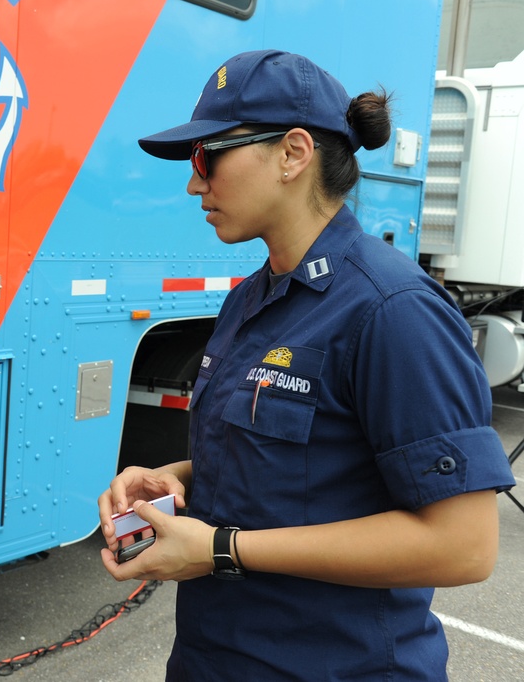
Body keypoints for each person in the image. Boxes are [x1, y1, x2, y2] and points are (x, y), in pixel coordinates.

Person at [97, 50, 516, 681]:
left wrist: (219, 549)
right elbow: (307, 454)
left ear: (294, 153)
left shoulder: (393, 309)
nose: (193, 182)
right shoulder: (249, 299)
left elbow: (464, 545)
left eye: (208, 156)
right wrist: (175, 474)